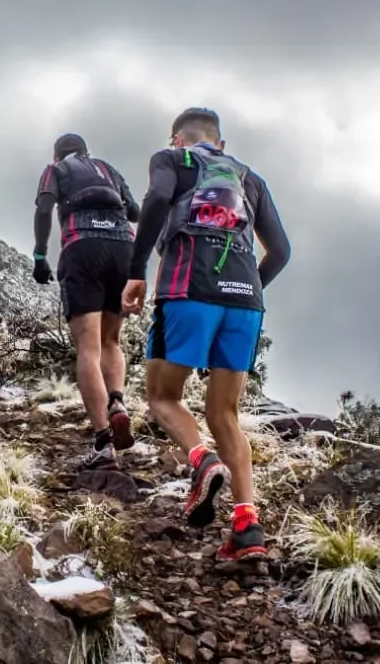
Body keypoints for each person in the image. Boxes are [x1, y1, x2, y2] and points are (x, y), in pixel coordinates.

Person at [122, 108, 290, 561]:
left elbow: (157, 200)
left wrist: (136, 272)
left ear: (178, 139)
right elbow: (281, 251)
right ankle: (246, 526)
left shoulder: (172, 160)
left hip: (187, 290)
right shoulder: (249, 177)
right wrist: (245, 290)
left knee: (161, 395)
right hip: (245, 303)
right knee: (226, 414)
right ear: (221, 142)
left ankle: (201, 460)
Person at [33, 133, 142, 471]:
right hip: (124, 249)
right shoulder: (107, 169)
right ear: (86, 152)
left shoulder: (55, 171)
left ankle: (103, 443)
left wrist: (40, 255)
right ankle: (118, 402)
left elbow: (44, 208)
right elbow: (136, 212)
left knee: (88, 348)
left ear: (57, 156)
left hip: (83, 248)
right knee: (111, 340)